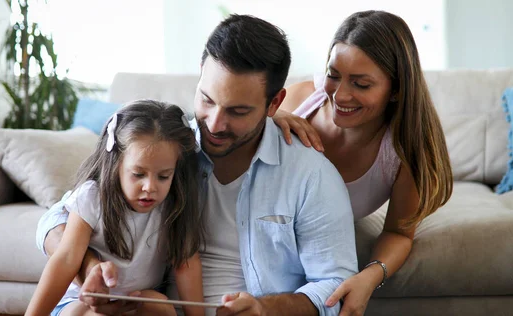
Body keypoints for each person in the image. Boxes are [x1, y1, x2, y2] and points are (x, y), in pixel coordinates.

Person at [36, 14, 358, 316]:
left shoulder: (310, 175)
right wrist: (91, 268)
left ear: (274, 103)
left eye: (238, 111)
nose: (215, 125)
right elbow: (56, 219)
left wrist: (265, 309)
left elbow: (335, 286)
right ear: (200, 72)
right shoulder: (170, 147)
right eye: (207, 99)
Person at [272, 10, 453, 316]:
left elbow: (398, 233)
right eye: (333, 75)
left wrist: (370, 277)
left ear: (396, 90)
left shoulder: (403, 153)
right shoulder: (300, 102)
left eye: (361, 84)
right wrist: (267, 116)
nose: (340, 95)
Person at [27, 100, 205, 316]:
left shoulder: (174, 203)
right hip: (82, 302)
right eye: (138, 174)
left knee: (159, 304)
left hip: (139, 297)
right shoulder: (92, 197)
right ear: (116, 164)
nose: (150, 187)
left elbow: (186, 263)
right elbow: (65, 259)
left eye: (163, 176)